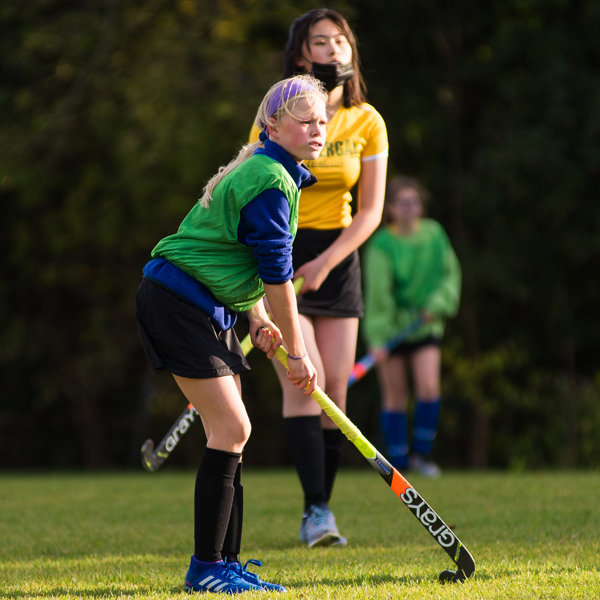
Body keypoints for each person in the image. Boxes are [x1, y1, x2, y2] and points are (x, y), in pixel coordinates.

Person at [135, 74, 327, 594]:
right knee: (233, 430)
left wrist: (259, 320)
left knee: (232, 436)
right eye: (305, 121)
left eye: (322, 121)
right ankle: (206, 570)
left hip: (203, 305)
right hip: (180, 302)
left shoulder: (266, 169)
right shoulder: (269, 179)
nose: (317, 130)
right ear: (272, 126)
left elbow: (231, 259)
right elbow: (276, 275)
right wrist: (298, 352)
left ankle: (227, 564)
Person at [249, 9, 388, 548]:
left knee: (336, 390)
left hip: (338, 255)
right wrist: (276, 262)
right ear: (300, 54)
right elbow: (253, 178)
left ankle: (321, 508)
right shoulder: (278, 112)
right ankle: (315, 513)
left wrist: (328, 261)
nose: (333, 50)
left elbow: (371, 211)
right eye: (320, 42)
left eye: (340, 41)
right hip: (281, 251)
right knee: (302, 386)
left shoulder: (367, 119)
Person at [362, 176, 461, 478]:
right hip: (392, 330)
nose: (409, 208)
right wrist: (378, 338)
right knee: (395, 394)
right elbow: (378, 293)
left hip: (425, 325)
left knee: (429, 388)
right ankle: (397, 464)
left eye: (414, 202)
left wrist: (437, 305)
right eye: (402, 203)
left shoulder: (434, 234)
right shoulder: (382, 243)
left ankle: (422, 456)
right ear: (390, 208)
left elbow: (450, 275)